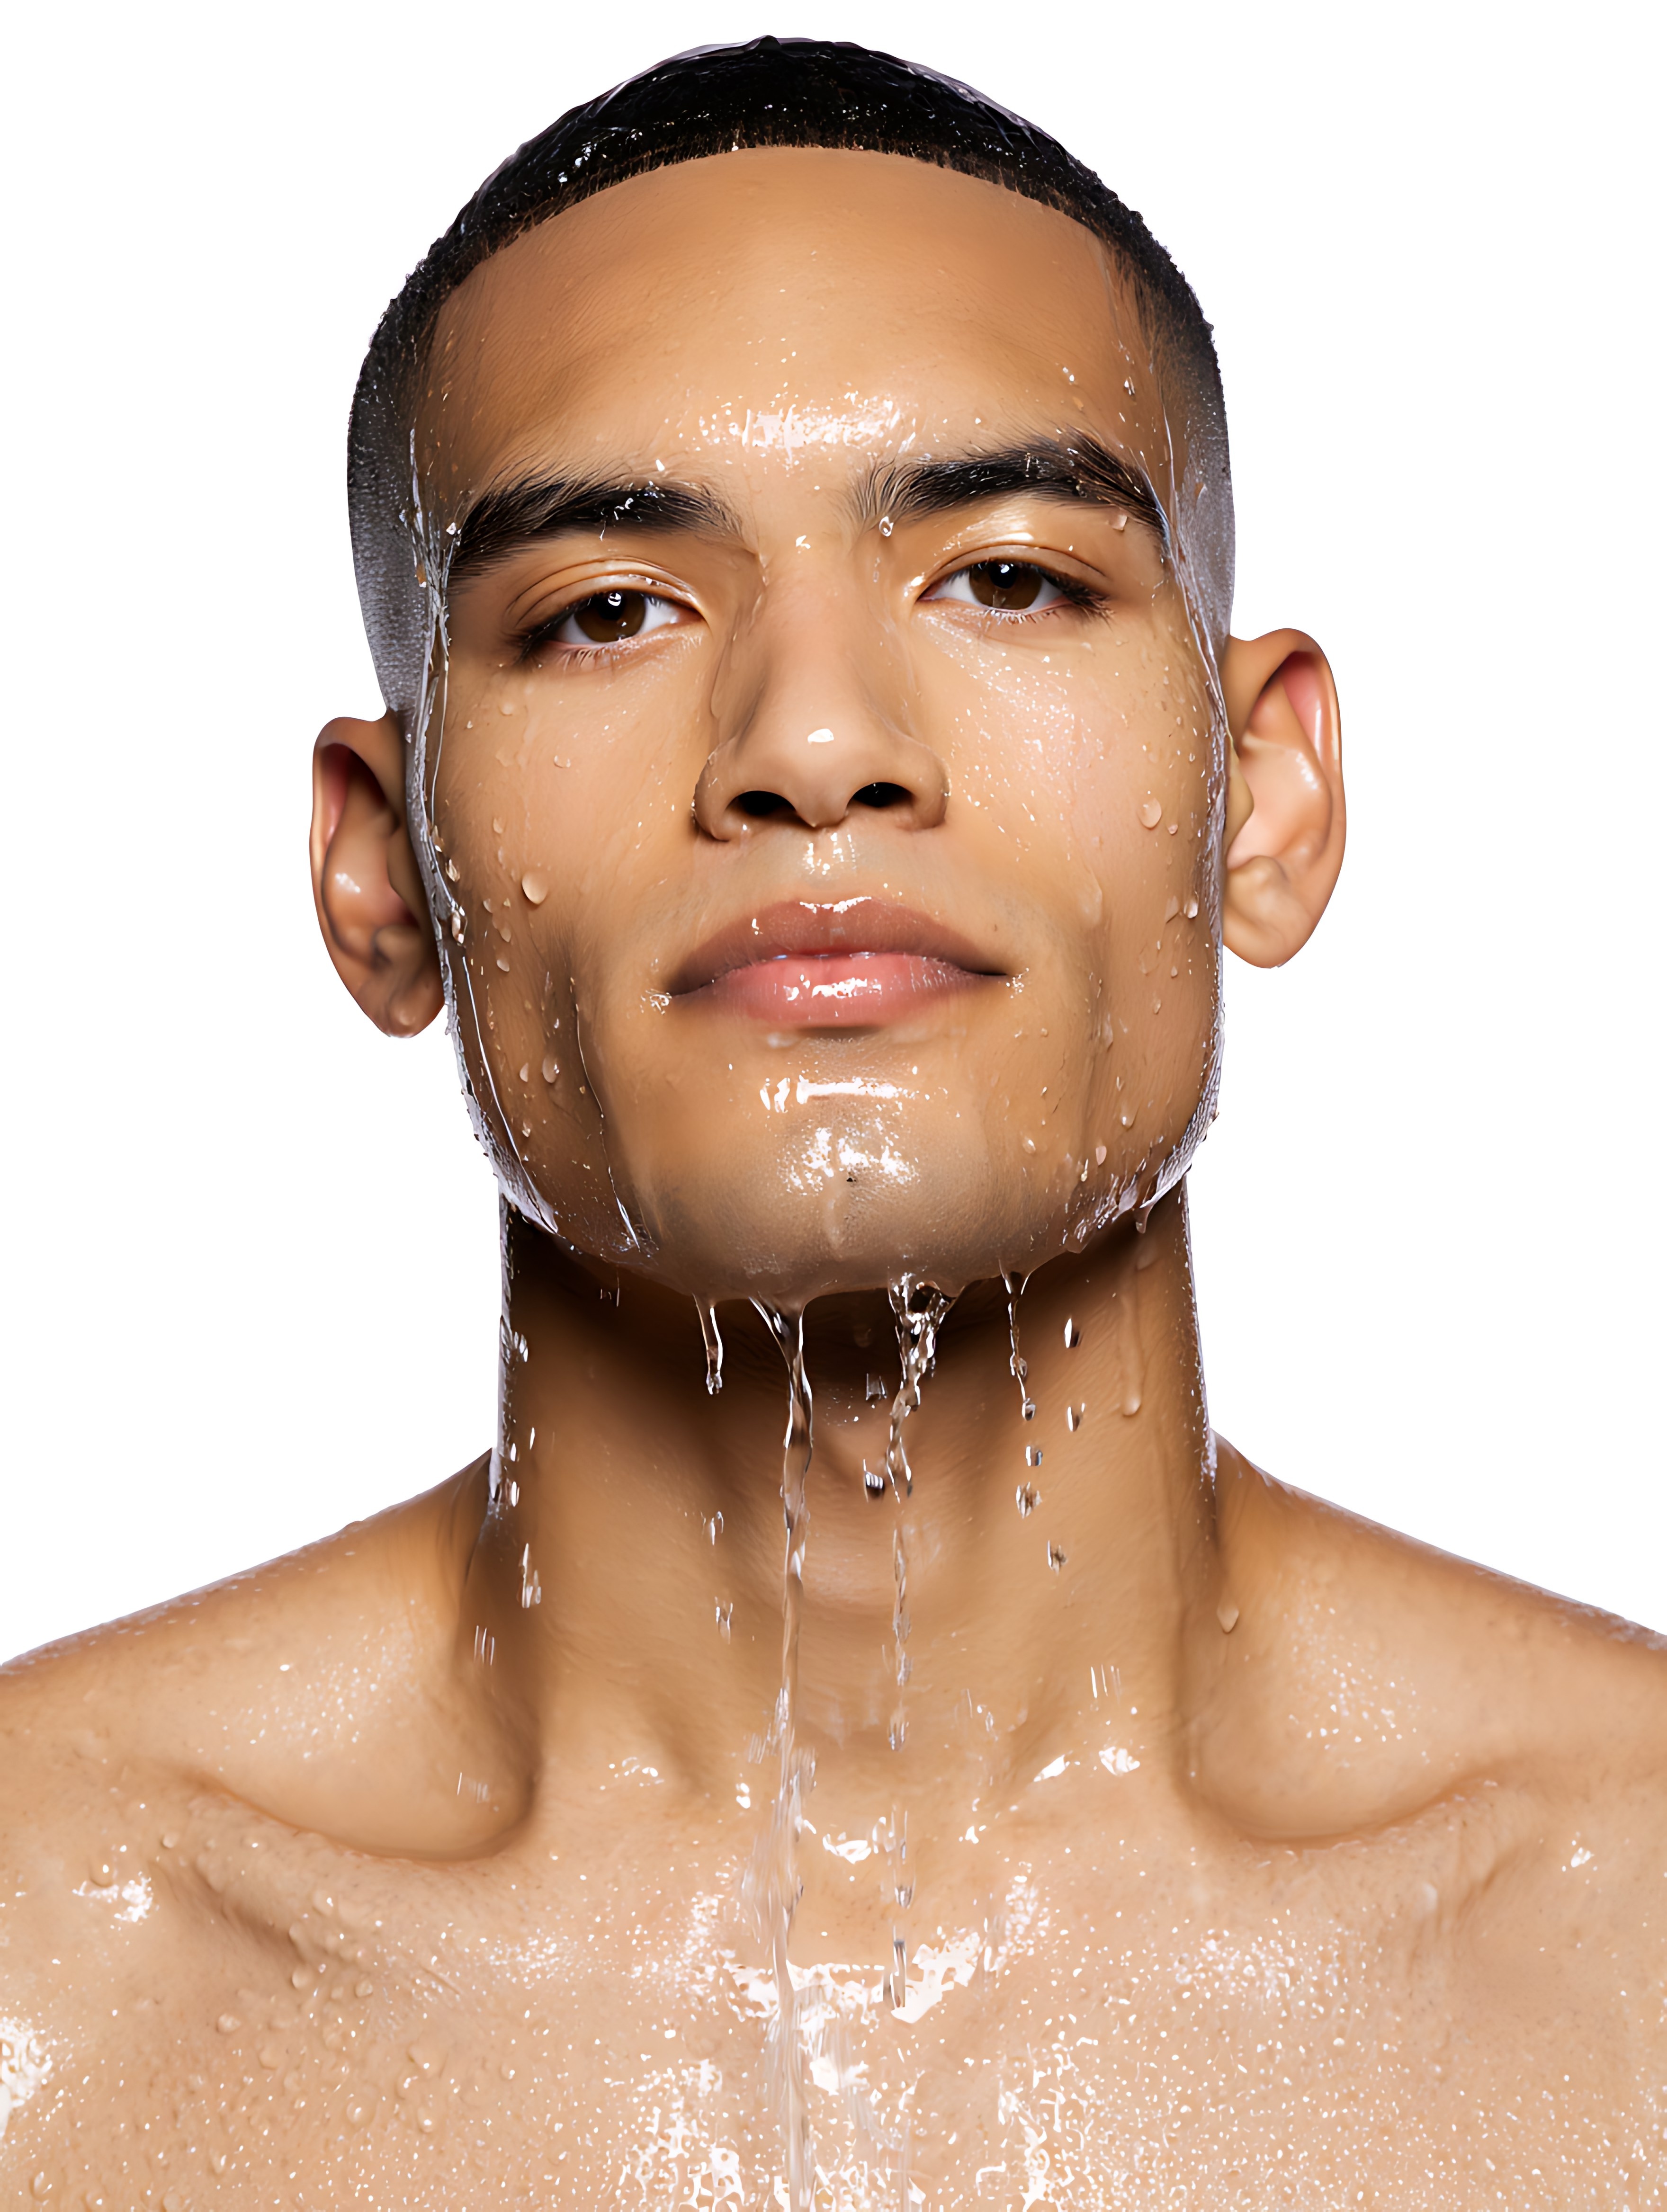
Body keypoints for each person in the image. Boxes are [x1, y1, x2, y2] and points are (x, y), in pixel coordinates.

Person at [2, 37, 1660, 2209]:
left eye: (1008, 577)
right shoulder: (48, 1979)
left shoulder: (1631, 1937)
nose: (811, 740)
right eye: (607, 610)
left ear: (1262, 796)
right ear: (383, 871)